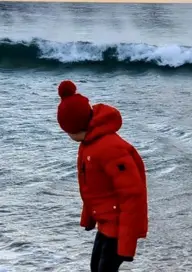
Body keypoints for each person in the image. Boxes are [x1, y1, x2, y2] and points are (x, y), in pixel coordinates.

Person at [56, 80, 148, 272]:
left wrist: (126, 244)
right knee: (95, 267)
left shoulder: (109, 148)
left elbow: (132, 194)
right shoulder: (89, 143)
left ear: (75, 128)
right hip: (105, 223)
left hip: (119, 226)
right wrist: (89, 217)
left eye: (68, 131)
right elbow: (91, 186)